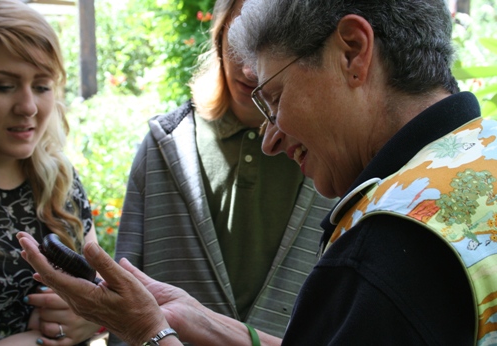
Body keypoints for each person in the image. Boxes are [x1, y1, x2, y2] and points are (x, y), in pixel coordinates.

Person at [17, 0, 497, 344]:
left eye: (276, 96)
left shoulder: (388, 248)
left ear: (353, 51)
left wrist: (149, 332)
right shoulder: (479, 157)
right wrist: (206, 323)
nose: (270, 138)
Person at [108, 0, 336, 344]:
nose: (248, 71)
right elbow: (124, 297)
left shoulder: (332, 159)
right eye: (239, 41)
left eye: (269, 47)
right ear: (218, 34)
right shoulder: (165, 144)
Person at [0, 0, 103, 344]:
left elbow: (100, 293)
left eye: (42, 86)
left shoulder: (60, 180)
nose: (28, 107)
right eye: (3, 86)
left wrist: (91, 319)